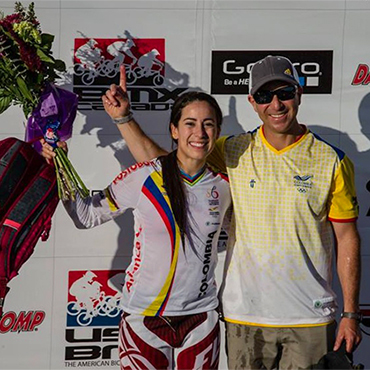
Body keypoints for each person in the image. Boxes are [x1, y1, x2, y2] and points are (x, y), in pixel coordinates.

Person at [103, 56, 362, 369]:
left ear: (299, 93)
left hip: (310, 317)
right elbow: (168, 167)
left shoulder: (332, 159)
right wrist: (123, 119)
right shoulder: (233, 149)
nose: (276, 105)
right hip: (244, 317)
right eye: (265, 96)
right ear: (253, 102)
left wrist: (350, 313)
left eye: (285, 93)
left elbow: (347, 237)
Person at [42, 89, 231, 370]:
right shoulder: (144, 177)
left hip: (200, 319)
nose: (199, 133)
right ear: (174, 130)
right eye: (190, 123)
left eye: (208, 124)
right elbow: (86, 216)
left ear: (217, 132)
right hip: (144, 318)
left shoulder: (224, 186)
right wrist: (60, 165)